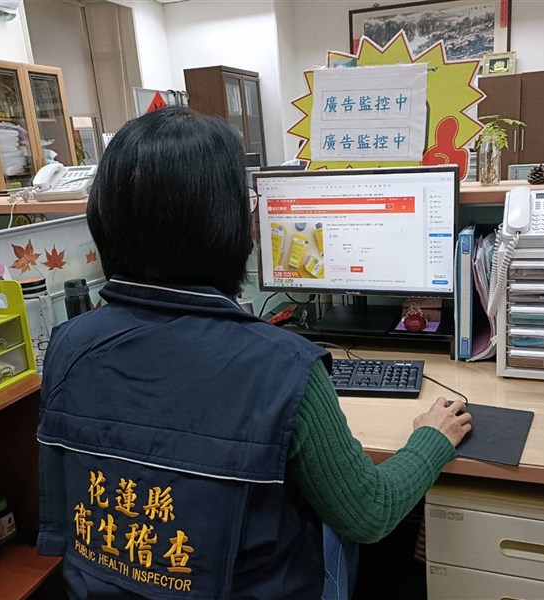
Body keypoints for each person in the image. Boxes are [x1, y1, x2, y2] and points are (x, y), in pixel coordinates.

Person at [37, 106, 472, 599]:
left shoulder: (67, 346)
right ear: (235, 226)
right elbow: (368, 514)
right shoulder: (282, 367)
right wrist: (431, 440)